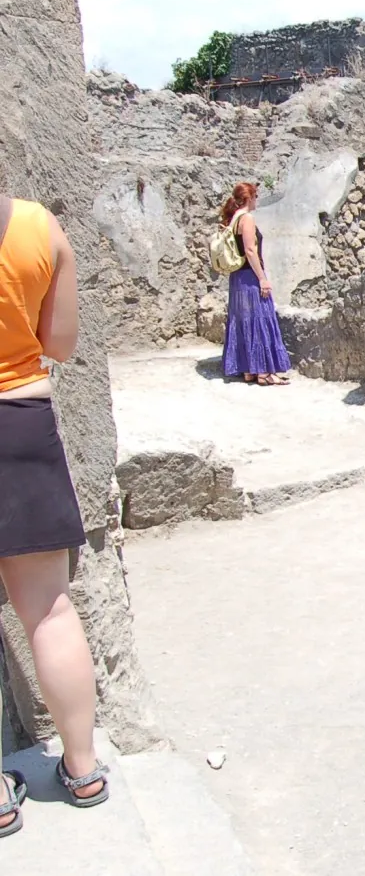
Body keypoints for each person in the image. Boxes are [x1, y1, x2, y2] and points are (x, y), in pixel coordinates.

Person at [0, 190, 111, 839]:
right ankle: (83, 765)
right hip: (21, 417)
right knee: (49, 608)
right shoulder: (40, 227)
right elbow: (61, 344)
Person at [220, 182, 292, 385]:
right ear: (249, 198)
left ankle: (249, 370)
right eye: (256, 196)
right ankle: (264, 373)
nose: (257, 200)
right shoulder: (247, 218)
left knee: (244, 321)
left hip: (237, 278)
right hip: (250, 277)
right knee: (260, 319)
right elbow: (250, 251)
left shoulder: (233, 219)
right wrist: (262, 279)